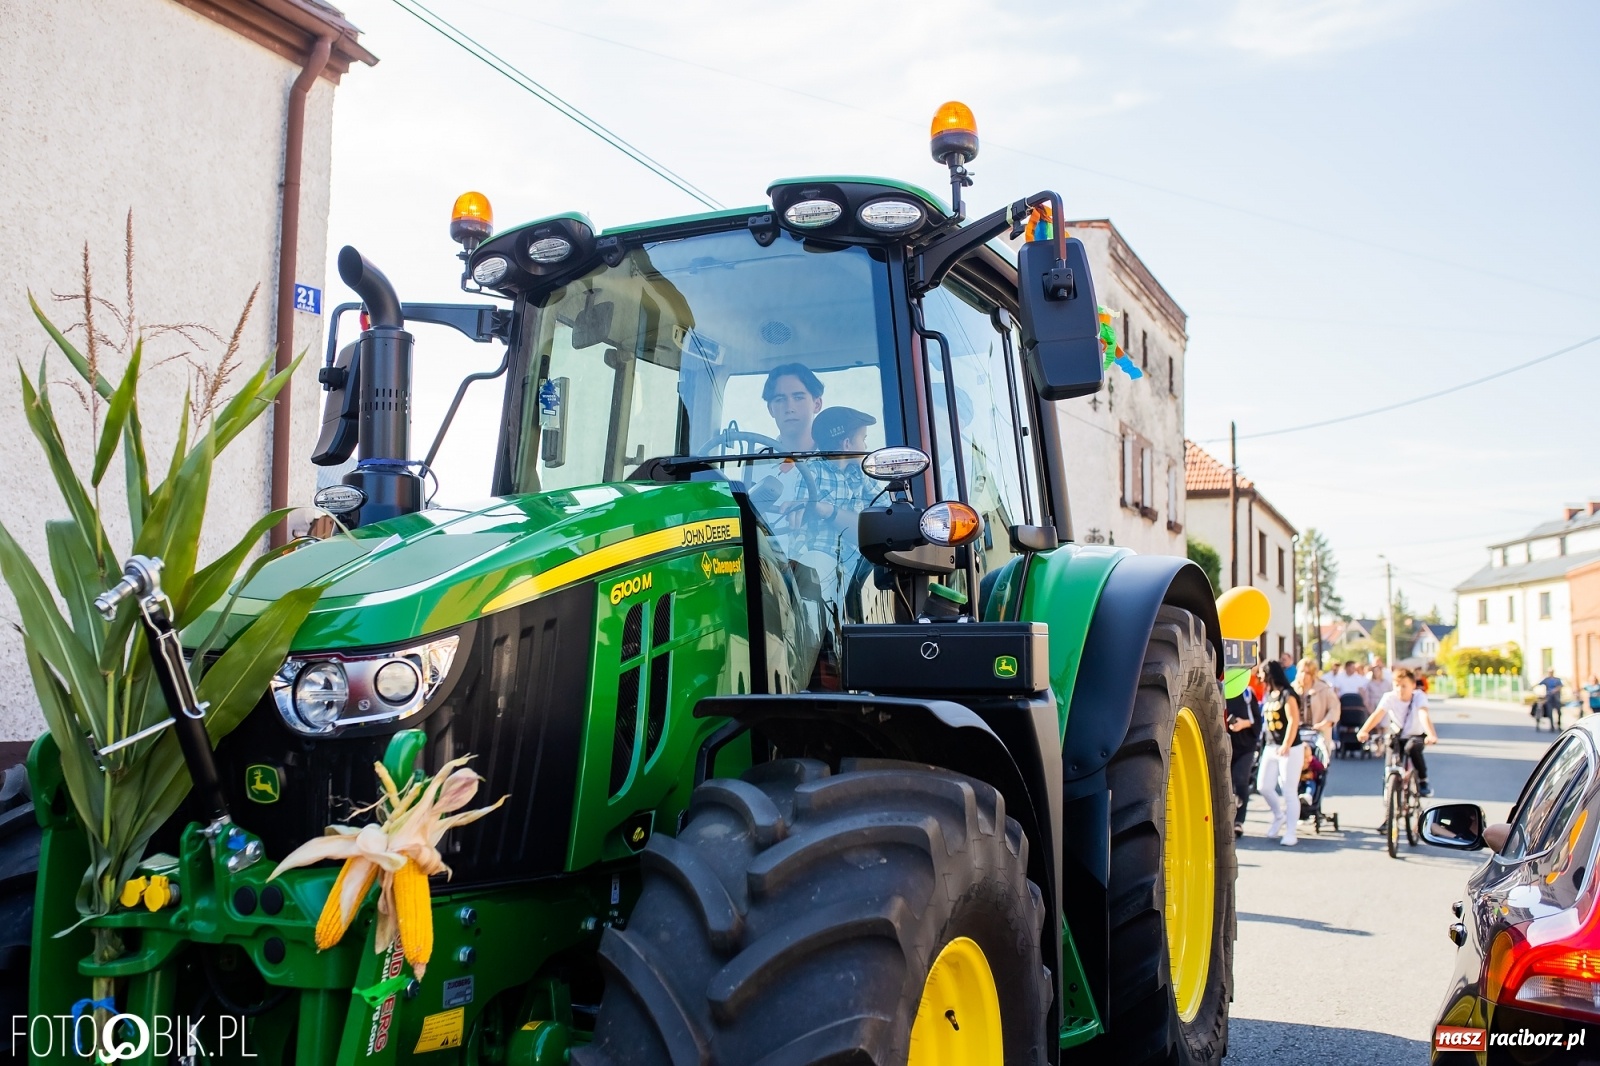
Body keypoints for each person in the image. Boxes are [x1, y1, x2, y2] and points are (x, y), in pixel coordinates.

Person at [1357, 666, 1439, 797]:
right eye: (1397, 685)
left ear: (1413, 685)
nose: (1400, 689)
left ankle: (1423, 781)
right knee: (1390, 757)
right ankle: (1389, 790)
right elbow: (1377, 715)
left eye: (1404, 686)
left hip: (1415, 735)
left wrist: (1431, 734)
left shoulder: (1419, 696)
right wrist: (1364, 731)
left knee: (1412, 747)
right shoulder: (1389, 697)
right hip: (1397, 735)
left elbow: (1423, 714)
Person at [1257, 660, 1304, 846]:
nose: (1259, 676)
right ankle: (1279, 815)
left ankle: (1291, 832)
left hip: (1290, 748)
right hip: (1271, 746)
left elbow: (1293, 720)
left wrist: (1286, 744)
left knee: (1289, 790)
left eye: (1262, 673)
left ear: (1270, 674)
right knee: (1264, 786)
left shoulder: (1287, 694)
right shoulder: (1269, 694)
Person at [1226, 680, 1264, 840]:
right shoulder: (1219, 691)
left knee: (1241, 780)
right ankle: (1227, 820)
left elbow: (1257, 721)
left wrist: (1243, 724)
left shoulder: (1247, 693)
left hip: (1246, 746)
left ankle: (1239, 821)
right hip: (1226, 747)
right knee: (1226, 784)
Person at [1293, 658, 1340, 756]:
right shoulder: (1292, 689)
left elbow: (1335, 708)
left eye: (1307, 673)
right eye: (1302, 672)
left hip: (1318, 734)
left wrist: (1325, 723)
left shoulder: (1323, 688)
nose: (1304, 675)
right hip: (1296, 735)